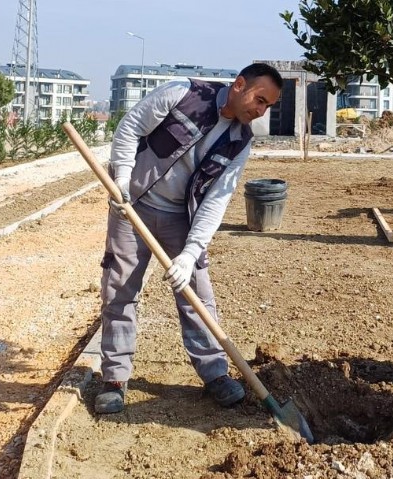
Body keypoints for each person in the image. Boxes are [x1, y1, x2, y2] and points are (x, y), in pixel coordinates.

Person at [94, 63, 283, 414]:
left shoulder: (240, 142)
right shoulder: (184, 93)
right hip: (132, 205)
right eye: (259, 99)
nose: (261, 110)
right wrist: (121, 177)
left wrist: (190, 252)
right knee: (119, 289)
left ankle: (215, 374)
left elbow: (217, 200)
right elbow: (130, 127)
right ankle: (114, 379)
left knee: (197, 293)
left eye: (268, 106)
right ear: (239, 85)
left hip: (181, 218)